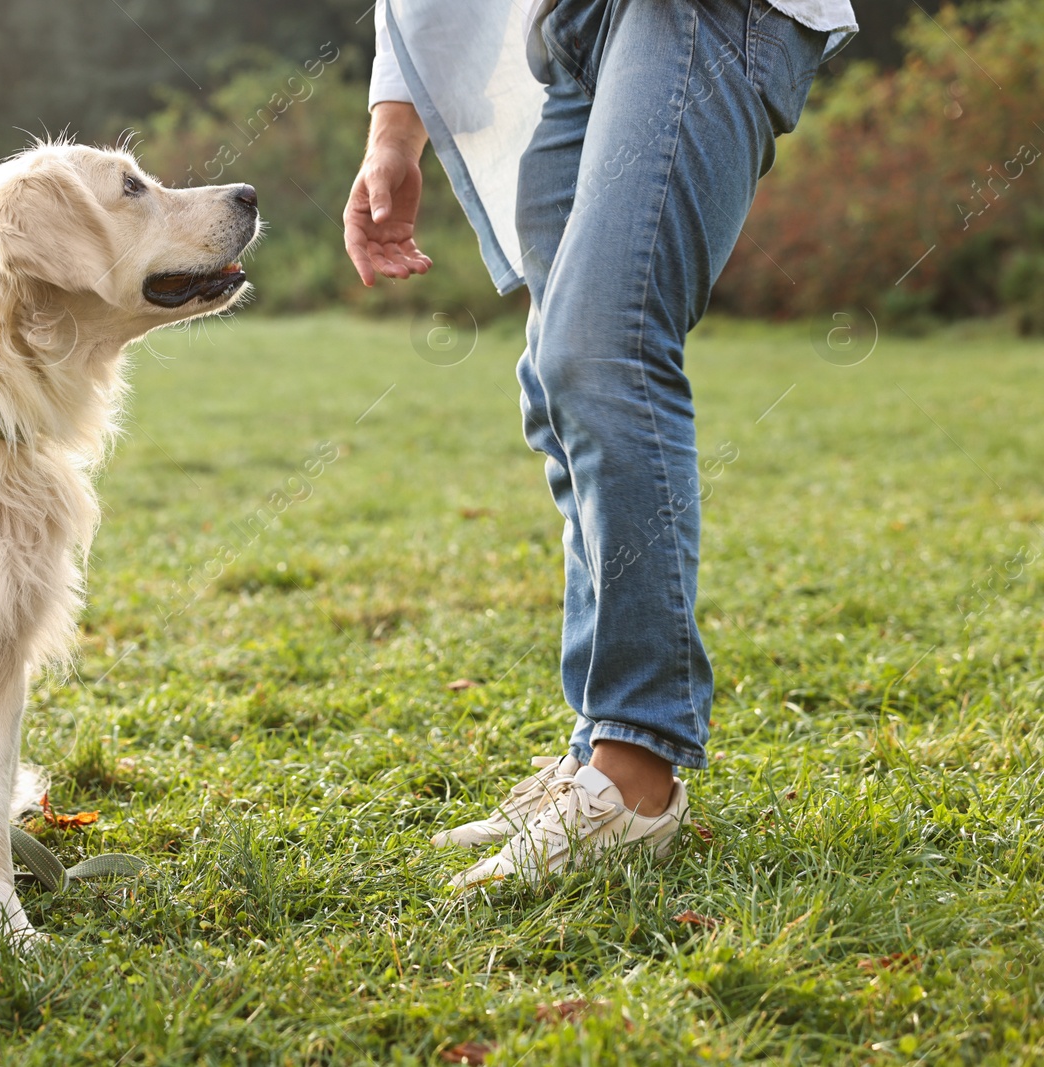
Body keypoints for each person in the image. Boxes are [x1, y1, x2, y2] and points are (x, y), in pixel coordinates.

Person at [344, 0, 856, 887]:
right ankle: (597, 751)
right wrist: (395, 125)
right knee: (558, 376)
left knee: (601, 347)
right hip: (577, 30)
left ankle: (635, 770)